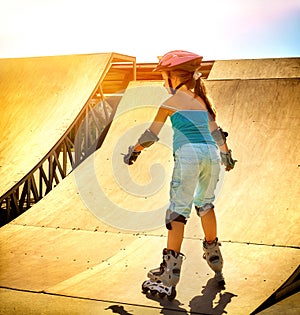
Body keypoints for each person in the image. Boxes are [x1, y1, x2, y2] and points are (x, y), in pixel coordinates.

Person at [124, 50, 236, 300]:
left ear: (176, 77)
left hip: (188, 156)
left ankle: (169, 275)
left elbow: (151, 136)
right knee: (205, 205)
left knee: (178, 212)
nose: (164, 84)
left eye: (165, 78)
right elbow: (217, 134)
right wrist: (226, 155)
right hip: (211, 156)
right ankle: (215, 258)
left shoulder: (170, 103)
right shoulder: (202, 101)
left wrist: (134, 150)